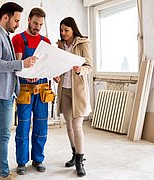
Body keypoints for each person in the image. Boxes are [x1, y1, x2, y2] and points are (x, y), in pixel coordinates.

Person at [0, 2, 37, 180]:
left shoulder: (4, 34)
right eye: (16, 20)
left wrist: (25, 71)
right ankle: (4, 174)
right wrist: (22, 63)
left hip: (5, 92)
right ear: (5, 17)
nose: (17, 24)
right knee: (4, 134)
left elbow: (8, 65)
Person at [11, 7, 52, 175]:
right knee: (23, 126)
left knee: (41, 126)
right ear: (28, 20)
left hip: (42, 89)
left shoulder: (46, 42)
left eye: (40, 24)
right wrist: (28, 76)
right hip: (25, 90)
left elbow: (48, 65)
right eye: (35, 23)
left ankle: (38, 159)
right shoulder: (18, 39)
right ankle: (21, 162)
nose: (37, 27)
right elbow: (17, 66)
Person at [54, 17, 92, 177]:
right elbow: (56, 66)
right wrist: (56, 76)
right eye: (61, 30)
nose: (63, 33)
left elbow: (89, 66)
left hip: (79, 92)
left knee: (77, 126)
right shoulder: (60, 46)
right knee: (68, 125)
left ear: (73, 30)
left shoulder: (83, 44)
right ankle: (74, 153)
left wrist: (80, 70)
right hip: (65, 90)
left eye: (66, 30)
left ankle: (79, 161)